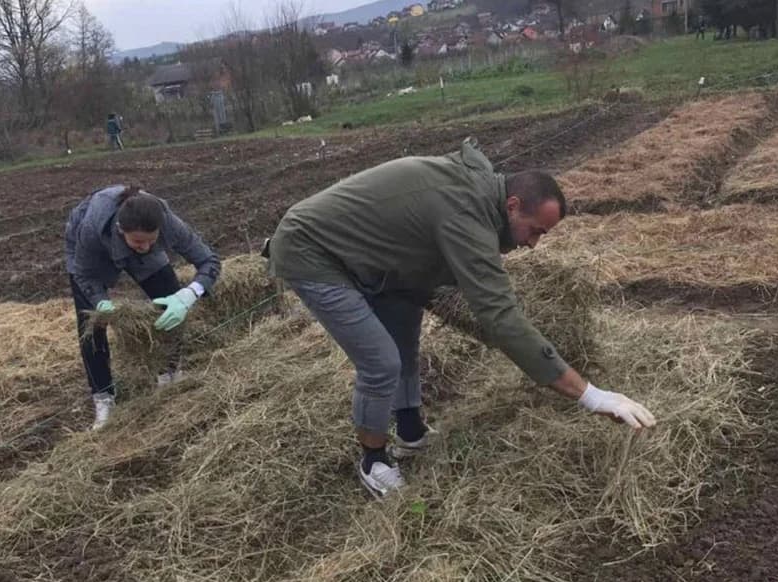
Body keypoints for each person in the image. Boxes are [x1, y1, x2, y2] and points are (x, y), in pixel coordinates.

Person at [265, 138, 656, 499]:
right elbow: (499, 315)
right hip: (312, 251)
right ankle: (374, 460)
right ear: (513, 205)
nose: (534, 244)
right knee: (381, 361)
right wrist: (591, 396)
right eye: (535, 231)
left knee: (404, 323)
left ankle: (411, 432)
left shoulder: (481, 195)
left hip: (377, 263)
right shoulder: (467, 211)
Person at [65, 185, 221, 430]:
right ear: (121, 230)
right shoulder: (91, 229)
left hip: (136, 237)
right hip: (92, 250)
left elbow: (209, 261)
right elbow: (84, 275)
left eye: (152, 240)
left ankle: (169, 373)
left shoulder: (166, 222)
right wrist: (100, 302)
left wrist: (189, 295)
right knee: (90, 323)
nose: (146, 247)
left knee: (168, 295)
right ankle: (103, 398)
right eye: (139, 242)